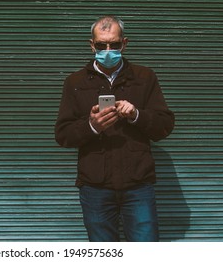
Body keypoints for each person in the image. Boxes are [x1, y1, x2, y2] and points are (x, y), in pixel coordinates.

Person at [54, 15, 175, 242]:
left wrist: (136, 115)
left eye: (114, 44)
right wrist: (91, 126)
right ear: (92, 45)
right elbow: (63, 135)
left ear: (124, 44)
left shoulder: (144, 77)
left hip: (138, 185)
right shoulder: (75, 82)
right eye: (101, 45)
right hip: (95, 187)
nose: (108, 50)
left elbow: (164, 126)